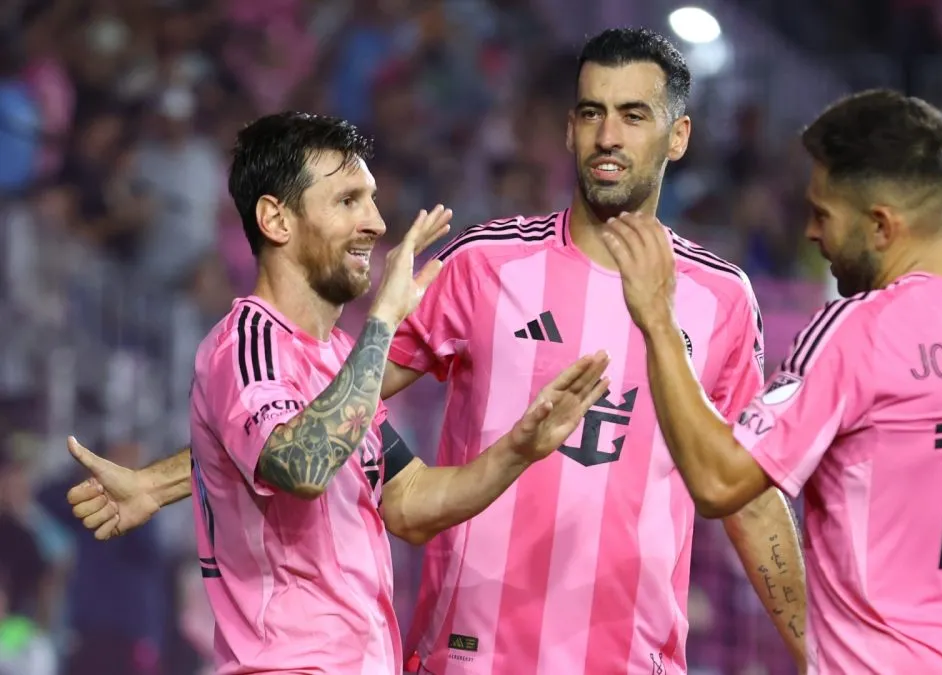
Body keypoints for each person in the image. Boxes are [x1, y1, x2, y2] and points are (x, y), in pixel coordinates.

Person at [65, 29, 809, 673]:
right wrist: (164, 481)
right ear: (569, 128)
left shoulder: (722, 299)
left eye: (633, 115)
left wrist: (819, 651)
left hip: (632, 656)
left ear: (677, 136)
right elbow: (331, 407)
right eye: (591, 113)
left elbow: (746, 492)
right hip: (468, 652)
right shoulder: (484, 266)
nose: (608, 136)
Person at [67, 111, 611, 674]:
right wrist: (383, 321)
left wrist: (520, 448)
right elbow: (300, 466)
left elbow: (410, 500)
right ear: (276, 219)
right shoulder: (246, 344)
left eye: (372, 200)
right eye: (348, 200)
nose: (376, 222)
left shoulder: (333, 363)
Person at [600, 89, 942, 673]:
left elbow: (717, 482)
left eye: (823, 214)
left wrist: (659, 317)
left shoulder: (857, 332)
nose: (812, 234)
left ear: (882, 226)